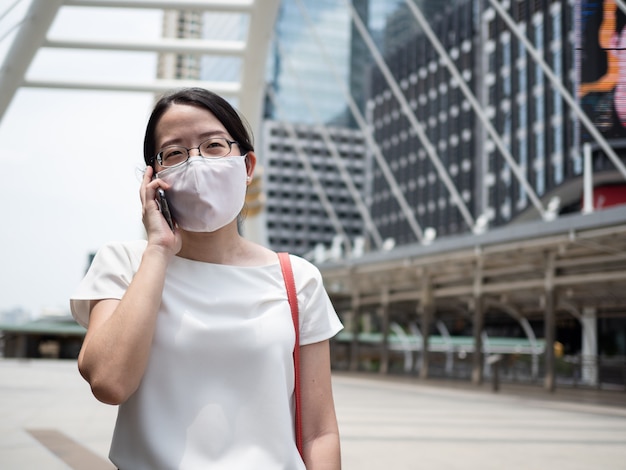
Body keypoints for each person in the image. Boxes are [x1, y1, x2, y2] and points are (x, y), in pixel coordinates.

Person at [70, 87, 343, 469]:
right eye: (175, 153)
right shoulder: (126, 263)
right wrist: (159, 250)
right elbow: (108, 382)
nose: (196, 163)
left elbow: (319, 432)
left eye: (214, 146)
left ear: (247, 167)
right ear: (153, 175)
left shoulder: (297, 280)